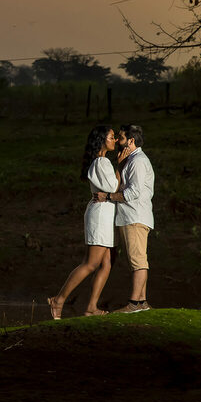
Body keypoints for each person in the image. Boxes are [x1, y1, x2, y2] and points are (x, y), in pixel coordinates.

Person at [47, 125, 123, 319]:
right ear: (102, 140)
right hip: (100, 216)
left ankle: (91, 307)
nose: (115, 140)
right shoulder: (101, 162)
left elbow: (110, 191)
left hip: (107, 213)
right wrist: (120, 168)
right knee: (91, 263)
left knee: (107, 262)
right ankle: (59, 299)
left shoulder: (102, 162)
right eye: (112, 137)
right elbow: (113, 186)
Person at [94, 124, 154, 313]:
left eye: (120, 137)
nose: (118, 141)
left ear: (131, 140)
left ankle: (134, 304)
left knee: (138, 261)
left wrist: (108, 197)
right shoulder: (131, 160)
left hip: (134, 216)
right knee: (136, 261)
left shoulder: (137, 161)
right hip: (130, 216)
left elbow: (133, 192)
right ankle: (141, 303)